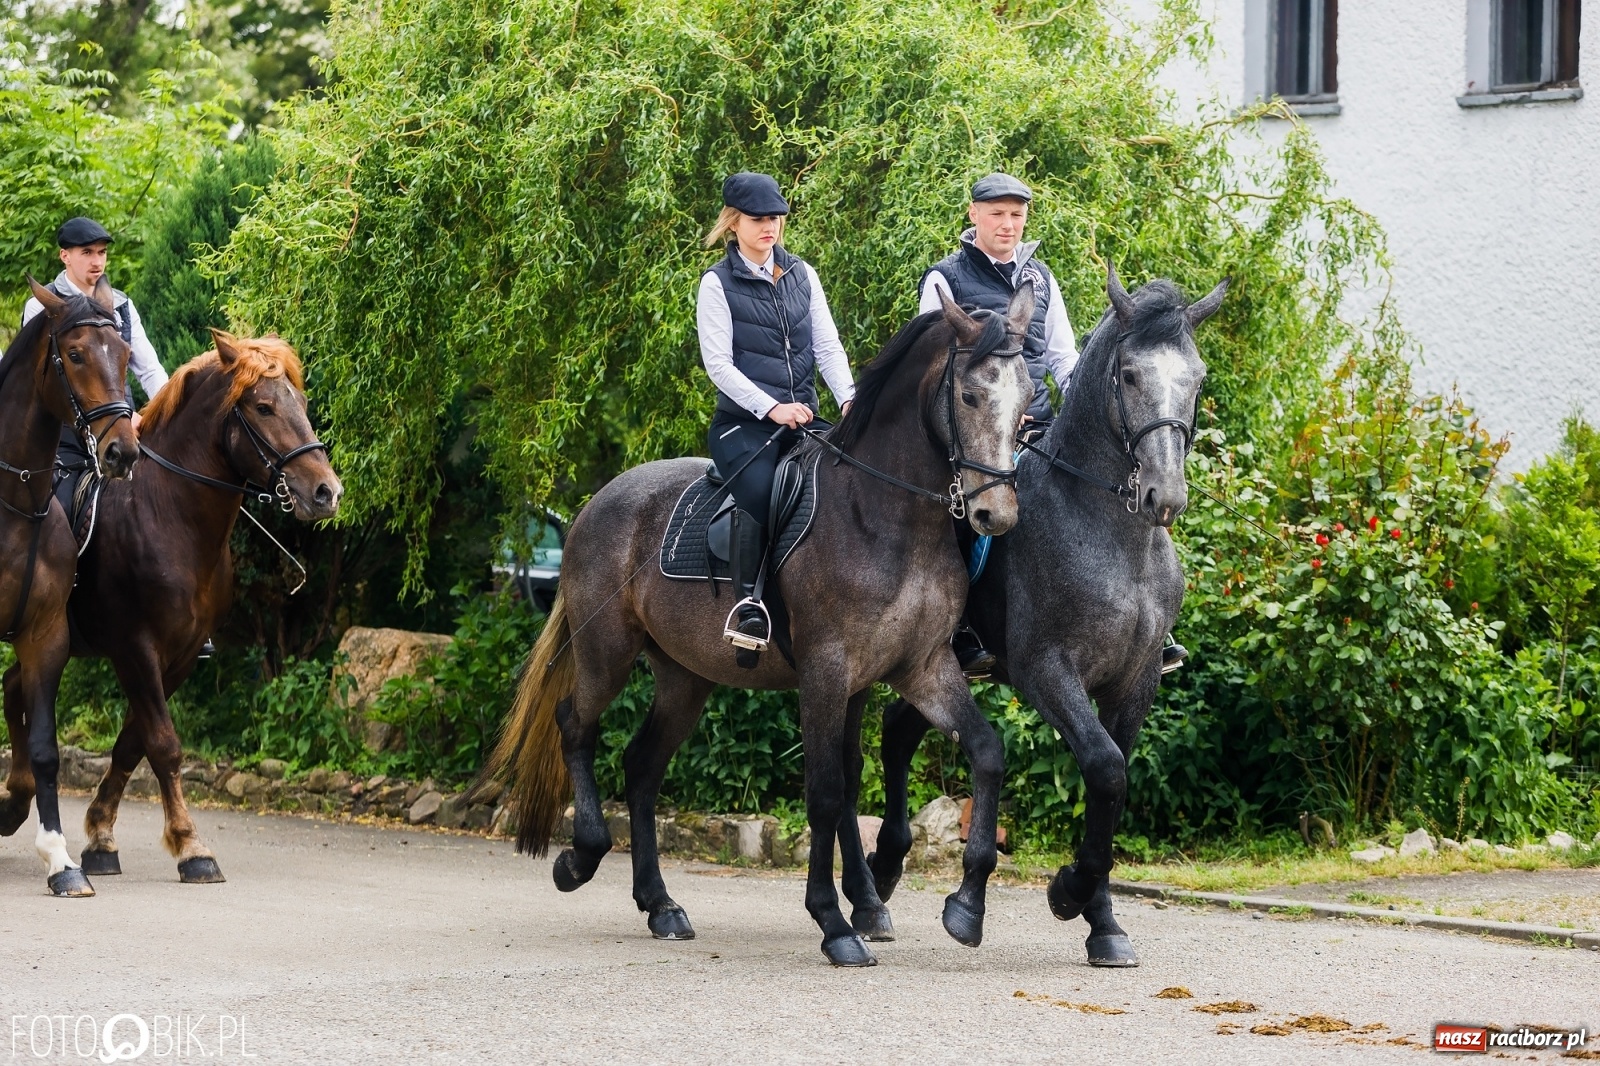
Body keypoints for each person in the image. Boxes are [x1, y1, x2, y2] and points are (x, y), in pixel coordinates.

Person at [919, 174, 1188, 676]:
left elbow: (1067, 361)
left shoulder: (1040, 278)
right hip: (977, 436)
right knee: (955, 518)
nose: (1008, 224)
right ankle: (957, 632)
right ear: (973, 215)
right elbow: (937, 371)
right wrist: (995, 416)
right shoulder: (945, 278)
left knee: (1116, 492)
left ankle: (1150, 624)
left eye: (1017, 215)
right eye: (997, 214)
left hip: (1041, 429)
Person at [698, 172, 855, 658]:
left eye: (775, 218)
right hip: (742, 428)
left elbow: (827, 346)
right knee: (765, 492)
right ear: (733, 223)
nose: (770, 227)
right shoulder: (717, 284)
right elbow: (718, 365)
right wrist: (771, 407)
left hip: (804, 421)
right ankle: (750, 606)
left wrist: (850, 399)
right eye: (759, 219)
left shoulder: (803, 274)